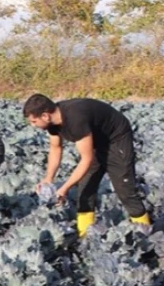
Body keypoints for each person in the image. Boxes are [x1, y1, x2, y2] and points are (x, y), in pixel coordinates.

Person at [22, 93, 151, 237]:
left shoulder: (75, 119)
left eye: (34, 121)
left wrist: (64, 188)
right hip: (96, 141)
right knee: (85, 188)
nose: (33, 125)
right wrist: (48, 178)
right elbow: (55, 148)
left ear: (45, 116)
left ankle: (144, 232)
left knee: (125, 190)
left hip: (116, 138)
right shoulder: (52, 123)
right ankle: (84, 236)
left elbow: (86, 159)